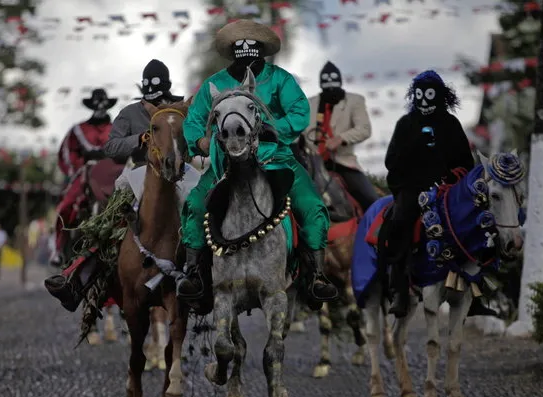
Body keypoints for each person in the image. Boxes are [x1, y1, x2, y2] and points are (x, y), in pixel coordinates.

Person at [176, 19, 338, 307]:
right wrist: (200, 142)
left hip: (277, 157)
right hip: (224, 161)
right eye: (241, 53)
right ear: (232, 54)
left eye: (253, 53)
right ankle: (195, 275)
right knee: (194, 204)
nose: (247, 59)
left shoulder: (279, 79)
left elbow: (300, 112)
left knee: (313, 207)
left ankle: (314, 276)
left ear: (261, 52)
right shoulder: (214, 84)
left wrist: (272, 128)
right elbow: (194, 121)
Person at [45, 59, 185, 312]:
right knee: (107, 224)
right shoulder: (130, 113)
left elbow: (197, 137)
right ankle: (77, 282)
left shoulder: (181, 108)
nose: (152, 101)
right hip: (140, 172)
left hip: (180, 172)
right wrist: (139, 138)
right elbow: (111, 146)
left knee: (204, 207)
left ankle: (208, 273)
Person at [384, 70, 475, 318]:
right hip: (411, 189)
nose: (424, 100)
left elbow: (467, 162)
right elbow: (390, 161)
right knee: (399, 221)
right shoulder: (405, 124)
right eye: (420, 94)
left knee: (474, 222)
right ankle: (399, 289)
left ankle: (475, 288)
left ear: (440, 96)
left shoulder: (451, 124)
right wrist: (414, 148)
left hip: (445, 189)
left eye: (429, 94)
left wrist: (453, 174)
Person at [50, 88, 116, 267]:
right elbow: (66, 153)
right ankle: (58, 249)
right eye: (97, 105)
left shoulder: (117, 128)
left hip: (112, 175)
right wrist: (78, 167)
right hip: (85, 173)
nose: (100, 109)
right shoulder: (78, 130)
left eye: (103, 105)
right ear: (92, 106)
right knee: (66, 206)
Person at [304, 61, 379, 212]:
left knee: (371, 201)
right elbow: (297, 131)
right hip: (311, 163)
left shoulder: (355, 100)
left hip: (343, 163)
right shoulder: (309, 103)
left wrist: (341, 138)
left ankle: (377, 233)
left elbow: (364, 129)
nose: (330, 88)